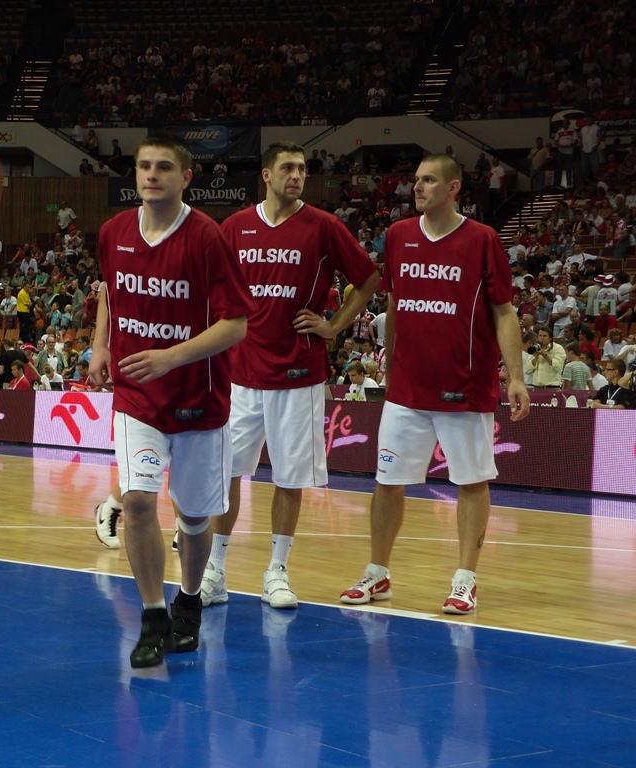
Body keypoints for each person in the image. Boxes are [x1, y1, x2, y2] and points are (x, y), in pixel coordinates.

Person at [339, 154, 530, 616]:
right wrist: (386, 359)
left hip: (464, 389)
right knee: (387, 482)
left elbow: (504, 312)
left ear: (454, 188)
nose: (417, 188)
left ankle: (465, 579)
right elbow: (394, 304)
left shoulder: (483, 239)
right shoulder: (400, 236)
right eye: (416, 180)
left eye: (428, 180)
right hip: (406, 389)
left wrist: (518, 377)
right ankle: (377, 572)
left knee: (470, 481)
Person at [91, 135, 253, 668]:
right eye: (143, 166)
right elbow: (109, 292)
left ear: (186, 177)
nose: (151, 175)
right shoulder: (114, 231)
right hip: (137, 396)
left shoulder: (207, 237)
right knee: (137, 502)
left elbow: (235, 324)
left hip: (199, 398)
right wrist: (100, 344)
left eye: (163, 167)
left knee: (194, 517)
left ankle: (189, 602)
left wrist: (170, 357)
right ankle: (154, 615)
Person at [199, 141, 380, 611]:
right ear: (266, 174)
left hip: (298, 373)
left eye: (302, 168)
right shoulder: (235, 227)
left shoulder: (324, 226)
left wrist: (335, 325)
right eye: (287, 168)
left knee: (289, 478)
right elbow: (210, 290)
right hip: (238, 373)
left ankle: (276, 571)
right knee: (227, 474)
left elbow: (369, 278)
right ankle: (215, 569)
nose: (296, 175)